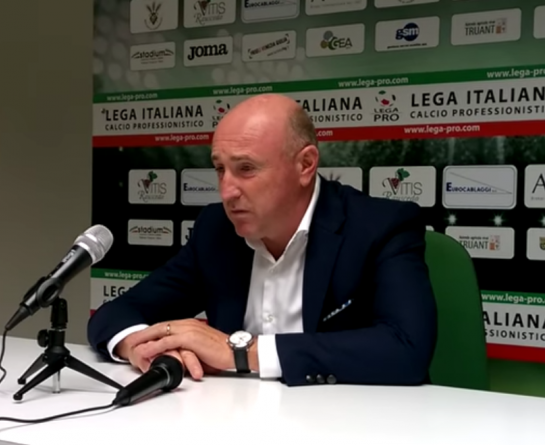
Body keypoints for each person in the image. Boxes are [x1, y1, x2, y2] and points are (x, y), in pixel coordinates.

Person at [87, 93, 438, 387]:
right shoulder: (217, 229)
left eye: (246, 169)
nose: (227, 191)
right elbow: (117, 313)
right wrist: (141, 346)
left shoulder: (379, 226)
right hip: (235, 419)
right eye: (220, 169)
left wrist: (242, 353)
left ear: (305, 165)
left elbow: (406, 350)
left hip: (348, 423)